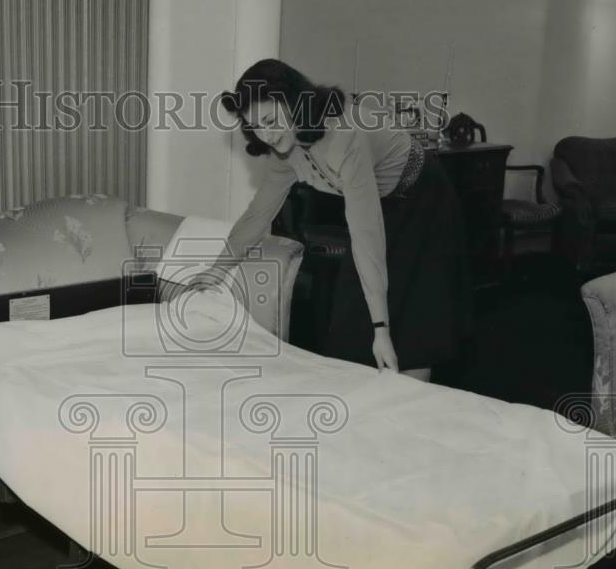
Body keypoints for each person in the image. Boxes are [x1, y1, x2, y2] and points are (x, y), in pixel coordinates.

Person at [195, 58, 472, 382]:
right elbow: (258, 214)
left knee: (413, 322)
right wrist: (215, 270)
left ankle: (410, 407)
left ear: (296, 104)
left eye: (271, 120)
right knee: (350, 324)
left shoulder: (345, 134)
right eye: (256, 126)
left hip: (424, 198)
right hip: (383, 201)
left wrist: (381, 330)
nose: (266, 135)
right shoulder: (285, 152)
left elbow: (366, 232)